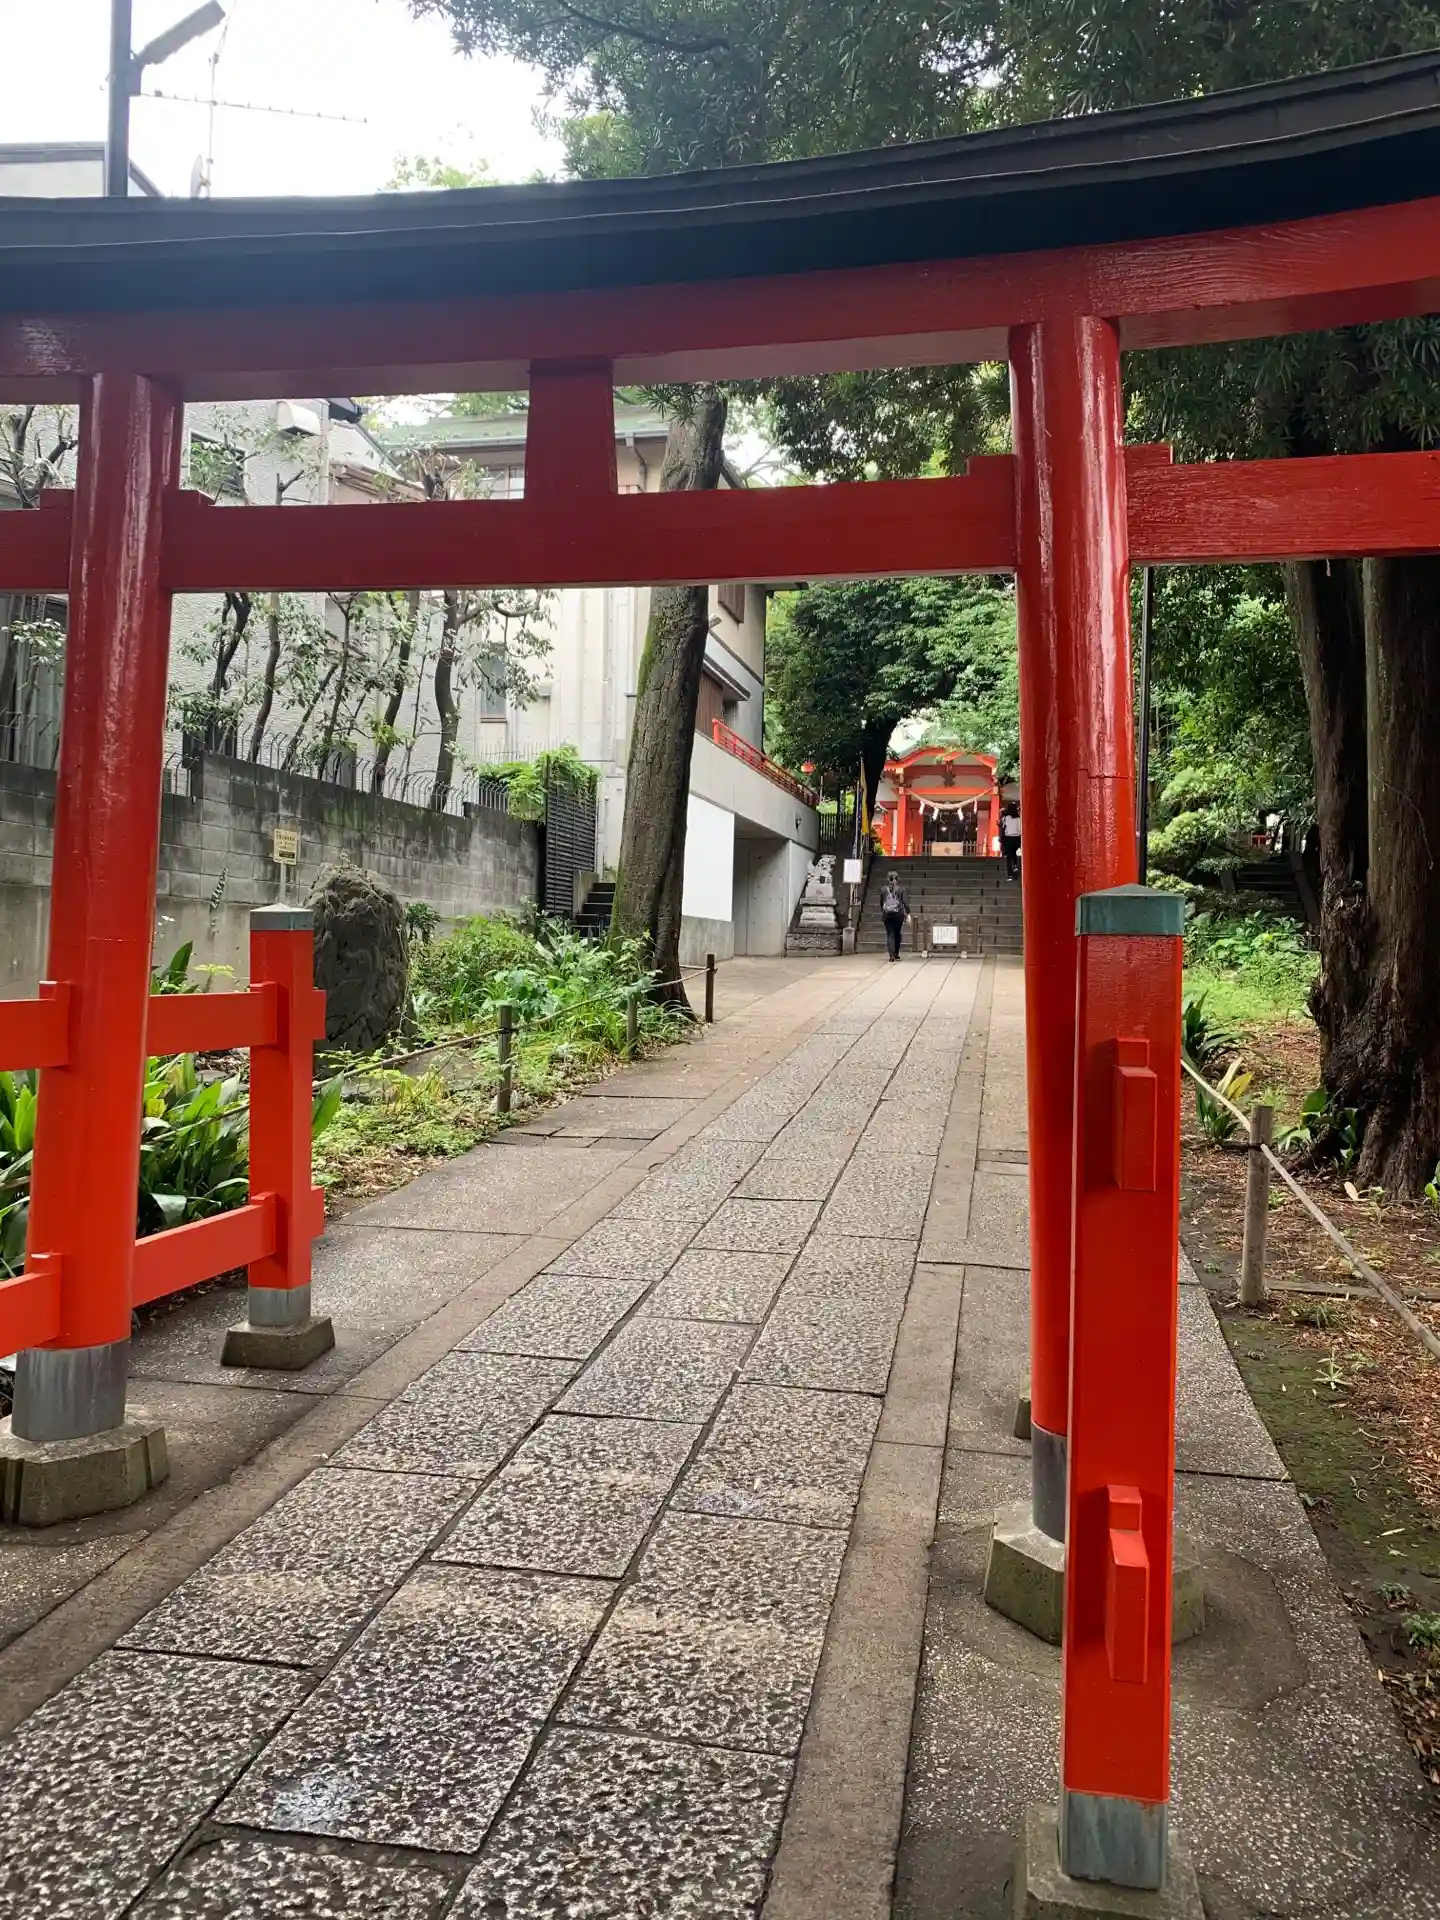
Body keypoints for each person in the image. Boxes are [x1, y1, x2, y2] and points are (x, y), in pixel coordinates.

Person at [880, 870, 909, 961]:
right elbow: (905, 903)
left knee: (890, 934)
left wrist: (884, 911)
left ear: (888, 879)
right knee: (897, 933)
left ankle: (891, 955)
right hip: (898, 914)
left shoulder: (883, 890)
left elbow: (881, 903)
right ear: (897, 879)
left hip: (887, 915)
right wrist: (908, 913)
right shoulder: (901, 889)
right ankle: (896, 953)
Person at [999, 800, 1022, 881]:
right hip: (1017, 838)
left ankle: (1010, 875)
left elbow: (1003, 826)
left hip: (1008, 838)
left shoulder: (1005, 818)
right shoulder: (1019, 819)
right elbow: (1020, 829)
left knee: (1009, 857)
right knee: (1014, 852)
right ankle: (1015, 865)